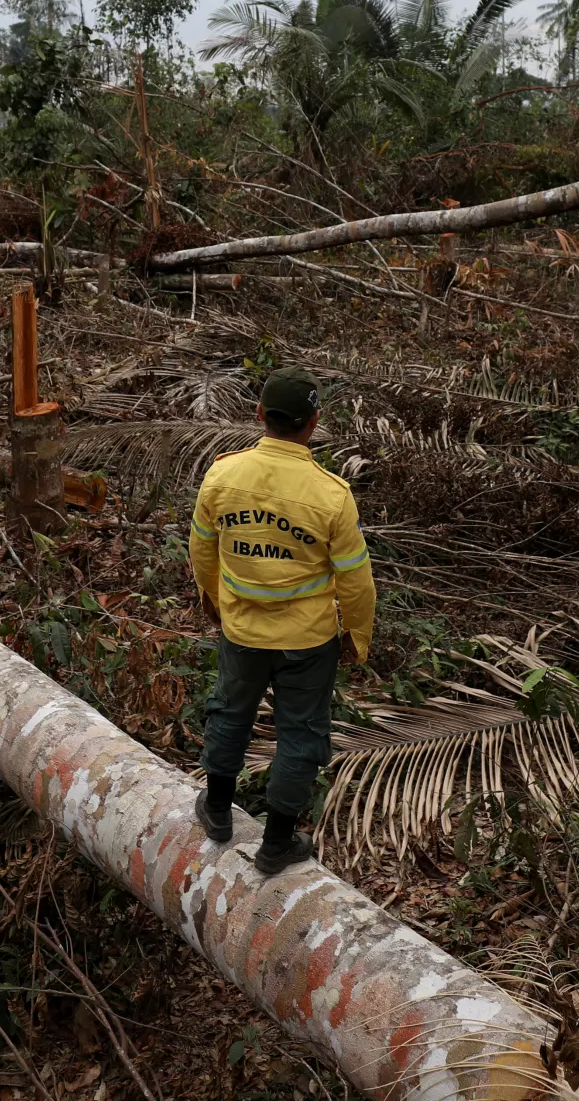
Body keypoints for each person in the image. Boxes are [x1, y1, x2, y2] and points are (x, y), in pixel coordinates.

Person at [188, 365, 373, 875]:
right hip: (308, 642)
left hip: (242, 630)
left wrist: (211, 597)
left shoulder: (223, 475)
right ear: (314, 422)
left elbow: (202, 549)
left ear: (259, 415)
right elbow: (356, 579)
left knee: (230, 712)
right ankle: (276, 844)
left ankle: (219, 813)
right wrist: (358, 634)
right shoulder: (331, 494)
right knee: (301, 733)